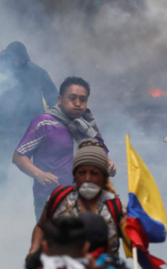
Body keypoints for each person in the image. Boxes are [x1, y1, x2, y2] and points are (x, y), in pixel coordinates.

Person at [13, 77, 116, 221]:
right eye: (72, 98)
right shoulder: (44, 122)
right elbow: (18, 156)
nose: (78, 103)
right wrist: (39, 174)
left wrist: (109, 165)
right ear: (60, 100)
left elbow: (101, 156)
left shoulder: (87, 126)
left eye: (82, 99)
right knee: (54, 241)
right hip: (50, 199)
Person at [27, 139, 125, 259]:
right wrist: (34, 250)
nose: (87, 178)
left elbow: (135, 242)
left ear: (103, 177)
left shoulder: (114, 206)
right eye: (82, 172)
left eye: (94, 173)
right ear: (74, 175)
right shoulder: (60, 197)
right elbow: (41, 227)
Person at [0, 41, 58, 186]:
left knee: (38, 166)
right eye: (16, 61)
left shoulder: (37, 72)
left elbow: (54, 99)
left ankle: (39, 196)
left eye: (22, 61)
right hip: (4, 129)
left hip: (31, 128)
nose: (20, 64)